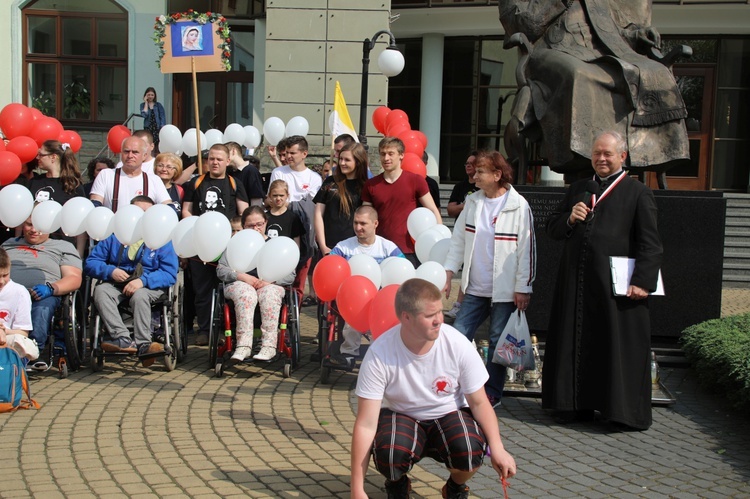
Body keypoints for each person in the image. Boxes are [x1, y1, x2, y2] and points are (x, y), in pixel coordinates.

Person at [351, 278, 517, 499]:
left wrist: (498, 448)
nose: (439, 320)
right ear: (406, 317)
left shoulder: (457, 344)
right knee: (390, 454)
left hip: (448, 414)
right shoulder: (379, 353)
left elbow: (479, 402)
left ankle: (455, 488)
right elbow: (366, 424)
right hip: (402, 416)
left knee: (469, 450)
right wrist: (357, 489)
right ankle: (397, 482)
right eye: (430, 316)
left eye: (440, 312)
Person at [542, 131, 663, 430]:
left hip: (615, 290)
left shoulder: (638, 193)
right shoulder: (579, 189)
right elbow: (552, 228)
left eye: (608, 153)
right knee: (575, 341)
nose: (601, 159)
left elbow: (651, 243)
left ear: (622, 156)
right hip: (577, 285)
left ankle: (616, 411)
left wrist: (643, 282)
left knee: (611, 346)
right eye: (597, 153)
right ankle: (572, 405)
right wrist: (570, 218)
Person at [497, 0, 689, 171]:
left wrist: (637, 34)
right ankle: (581, 155)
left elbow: (610, 28)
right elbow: (521, 24)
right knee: (578, 74)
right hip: (550, 51)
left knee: (656, 72)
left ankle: (654, 153)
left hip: (599, 53)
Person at [443, 149, 536, 408]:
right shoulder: (472, 202)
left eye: (480, 171)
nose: (474, 175)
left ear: (497, 174)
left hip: (505, 291)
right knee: (459, 335)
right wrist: (449, 272)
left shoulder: (519, 205)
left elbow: (526, 251)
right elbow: (459, 240)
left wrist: (523, 287)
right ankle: (454, 385)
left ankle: (492, 391)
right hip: (475, 287)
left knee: (497, 342)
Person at [84, 196, 179, 367]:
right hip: (117, 283)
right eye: (136, 212)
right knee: (100, 291)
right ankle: (122, 338)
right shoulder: (114, 236)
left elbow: (170, 273)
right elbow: (91, 262)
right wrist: (110, 270)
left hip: (148, 285)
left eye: (145, 213)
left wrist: (143, 281)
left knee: (140, 295)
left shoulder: (162, 238)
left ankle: (144, 344)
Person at [181, 144, 249, 346]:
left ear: (228, 161)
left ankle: (229, 330)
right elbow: (186, 211)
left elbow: (243, 213)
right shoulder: (196, 183)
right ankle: (204, 330)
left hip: (228, 247)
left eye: (219, 159)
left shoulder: (235, 184)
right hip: (200, 246)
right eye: (211, 158)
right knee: (202, 290)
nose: (215, 162)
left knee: (230, 289)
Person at [2, 216, 82, 370]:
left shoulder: (62, 246)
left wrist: (51, 288)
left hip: (42, 295)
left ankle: (31, 352)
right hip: (8, 292)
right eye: (29, 224)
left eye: (39, 226)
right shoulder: (8, 244)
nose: (33, 230)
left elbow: (74, 278)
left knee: (42, 309)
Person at [217, 206, 295, 362]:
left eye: (259, 224)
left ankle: (269, 346)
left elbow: (290, 275)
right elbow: (221, 270)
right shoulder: (234, 244)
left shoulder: (276, 245)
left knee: (270, 294)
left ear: (266, 222)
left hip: (269, 285)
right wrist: (240, 276)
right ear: (244, 226)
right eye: (250, 225)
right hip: (241, 283)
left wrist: (271, 280)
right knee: (246, 293)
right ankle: (243, 346)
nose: (256, 228)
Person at [328, 205, 404, 364]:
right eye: (355, 223)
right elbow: (330, 268)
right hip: (352, 299)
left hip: (380, 299)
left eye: (363, 223)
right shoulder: (344, 247)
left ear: (375, 224)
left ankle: (380, 353)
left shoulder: (388, 248)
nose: (358, 227)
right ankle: (348, 353)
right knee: (354, 312)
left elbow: (402, 271)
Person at [362, 137, 442, 267]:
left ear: (401, 155)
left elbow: (433, 210)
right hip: (379, 250)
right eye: (382, 154)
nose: (386, 158)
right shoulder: (370, 185)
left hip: (409, 250)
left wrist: (439, 240)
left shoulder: (416, 180)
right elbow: (365, 217)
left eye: (391, 153)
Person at [30, 140, 87, 254]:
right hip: (34, 246)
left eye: (41, 154)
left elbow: (81, 222)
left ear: (53, 157)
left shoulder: (73, 186)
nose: (37, 157)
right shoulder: (34, 182)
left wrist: (79, 253)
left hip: (62, 247)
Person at [90, 136, 172, 212]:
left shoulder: (154, 180)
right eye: (126, 151)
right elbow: (95, 205)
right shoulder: (106, 175)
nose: (130, 155)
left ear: (144, 156)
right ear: (121, 153)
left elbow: (168, 207)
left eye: (135, 152)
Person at [445, 152, 478, 319]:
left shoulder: (483, 189)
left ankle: (461, 304)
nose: (468, 166)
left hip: (478, 235)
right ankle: (459, 304)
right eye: (466, 163)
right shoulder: (460, 187)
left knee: (470, 269)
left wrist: (463, 206)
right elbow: (450, 210)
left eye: (472, 163)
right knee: (464, 270)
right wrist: (465, 206)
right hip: (463, 232)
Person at [0, 248, 37, 362]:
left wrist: (3, 331)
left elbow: (23, 332)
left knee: (21, 342)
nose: (1, 281)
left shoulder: (19, 292)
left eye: (5, 275)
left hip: (8, 340)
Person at [225, 141, 265, 206]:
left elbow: (256, 198)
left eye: (226, 154)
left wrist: (253, 214)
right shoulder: (230, 172)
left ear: (233, 151)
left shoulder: (251, 171)